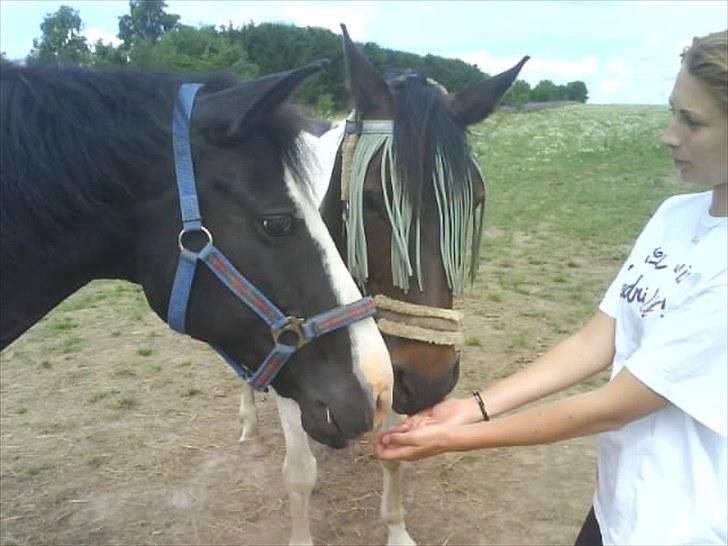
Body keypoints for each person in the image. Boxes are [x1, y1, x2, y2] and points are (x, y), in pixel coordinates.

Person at [375, 29, 727, 546]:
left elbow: (615, 405)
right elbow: (595, 341)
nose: (669, 136)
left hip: (690, 527)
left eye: (692, 121)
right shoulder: (676, 216)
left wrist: (459, 438)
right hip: (620, 510)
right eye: (673, 112)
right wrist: (473, 406)